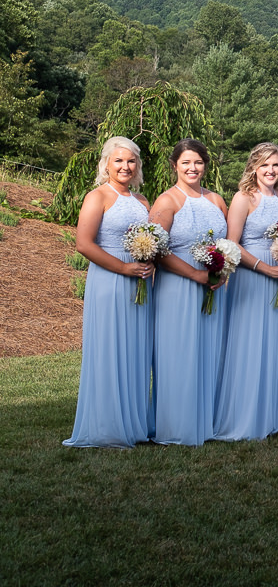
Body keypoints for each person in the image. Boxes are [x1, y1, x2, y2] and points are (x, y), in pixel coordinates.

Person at [64, 136, 155, 448]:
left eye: (131, 161)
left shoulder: (144, 202)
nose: (125, 166)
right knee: (110, 346)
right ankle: (107, 425)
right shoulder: (97, 196)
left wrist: (148, 262)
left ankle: (135, 424)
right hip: (109, 279)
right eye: (118, 160)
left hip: (141, 282)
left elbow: (153, 238)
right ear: (106, 164)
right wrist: (123, 268)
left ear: (137, 166)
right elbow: (84, 244)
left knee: (136, 349)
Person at [213, 142, 278, 441]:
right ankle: (245, 418)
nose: (271, 170)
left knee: (277, 344)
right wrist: (265, 268)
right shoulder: (243, 198)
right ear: (254, 168)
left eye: (275, 165)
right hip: (252, 277)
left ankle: (273, 415)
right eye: (265, 165)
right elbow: (232, 243)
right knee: (251, 344)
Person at [148, 139, 229, 446]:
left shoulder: (217, 200)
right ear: (175, 166)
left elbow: (227, 242)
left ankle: (207, 420)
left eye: (197, 162)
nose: (192, 168)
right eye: (186, 163)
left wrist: (223, 270)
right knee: (179, 352)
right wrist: (195, 274)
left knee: (210, 352)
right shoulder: (167, 201)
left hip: (213, 287)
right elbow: (156, 250)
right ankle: (176, 425)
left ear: (205, 165)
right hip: (177, 289)